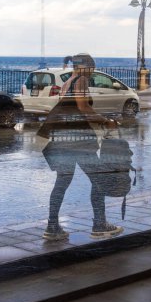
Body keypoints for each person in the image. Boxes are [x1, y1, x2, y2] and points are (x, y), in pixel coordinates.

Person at [37, 53, 124, 240]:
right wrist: (106, 121)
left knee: (62, 182)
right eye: (92, 68)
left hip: (59, 138)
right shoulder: (82, 80)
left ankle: (52, 227)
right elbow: (83, 107)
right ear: (85, 67)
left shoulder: (68, 81)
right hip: (77, 140)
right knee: (99, 180)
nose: (92, 72)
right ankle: (100, 225)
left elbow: (72, 109)